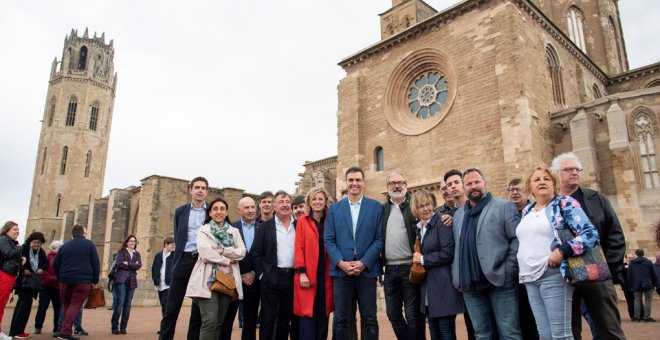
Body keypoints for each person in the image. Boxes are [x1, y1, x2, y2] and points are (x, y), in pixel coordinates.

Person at [517, 165, 601, 339]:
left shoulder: (564, 203)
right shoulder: (527, 211)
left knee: (561, 334)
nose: (542, 182)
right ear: (529, 187)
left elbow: (589, 234)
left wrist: (562, 251)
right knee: (544, 334)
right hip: (529, 277)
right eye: (537, 179)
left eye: (546, 179)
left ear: (554, 184)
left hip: (552, 274)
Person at [552, 152, 626, 339]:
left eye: (577, 169)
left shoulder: (596, 198)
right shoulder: (550, 205)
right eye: (569, 169)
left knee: (608, 329)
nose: (575, 172)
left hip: (597, 275)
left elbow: (615, 235)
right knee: (569, 331)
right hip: (564, 276)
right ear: (556, 173)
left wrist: (608, 269)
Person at [451, 168, 522, 340]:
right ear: (464, 188)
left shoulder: (504, 207)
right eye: (468, 183)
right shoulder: (459, 215)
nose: (473, 186)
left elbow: (517, 240)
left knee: (509, 332)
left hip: (500, 281)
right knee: (482, 334)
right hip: (470, 285)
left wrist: (508, 269)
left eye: (477, 182)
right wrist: (458, 277)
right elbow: (458, 248)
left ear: (485, 183)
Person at [325, 166, 383, 339]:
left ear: (363, 183)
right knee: (342, 318)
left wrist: (364, 262)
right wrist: (341, 263)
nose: (354, 183)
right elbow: (329, 240)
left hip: (367, 272)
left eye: (358, 180)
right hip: (342, 273)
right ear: (346, 182)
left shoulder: (375, 207)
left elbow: (379, 239)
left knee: (370, 318)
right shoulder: (335, 209)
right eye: (351, 180)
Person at [186, 197, 246, 340]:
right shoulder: (204, 230)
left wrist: (222, 250)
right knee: (210, 321)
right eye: (215, 209)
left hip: (227, 281)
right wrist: (228, 259)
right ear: (210, 213)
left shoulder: (234, 231)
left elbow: (242, 252)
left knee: (220, 323)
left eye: (222, 209)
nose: (219, 212)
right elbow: (205, 254)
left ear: (226, 213)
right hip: (208, 280)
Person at [159, 176, 208, 340]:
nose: (200, 190)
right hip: (184, 259)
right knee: (172, 307)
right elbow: (179, 236)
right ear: (191, 190)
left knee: (198, 308)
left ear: (207, 192)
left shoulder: (211, 213)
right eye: (197, 187)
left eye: (203, 188)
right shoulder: (181, 211)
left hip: (202, 261)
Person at [411, 190, 464, 340]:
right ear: (416, 209)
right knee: (434, 332)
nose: (426, 209)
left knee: (446, 332)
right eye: (421, 206)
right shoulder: (418, 228)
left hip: (443, 285)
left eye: (428, 204)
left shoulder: (441, 222)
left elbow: (448, 252)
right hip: (428, 288)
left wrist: (423, 260)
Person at [381, 171, 424, 340]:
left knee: (413, 315)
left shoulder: (414, 206)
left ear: (406, 185)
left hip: (410, 268)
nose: (397, 186)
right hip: (390, 270)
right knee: (393, 315)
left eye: (400, 182)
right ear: (387, 187)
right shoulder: (382, 209)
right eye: (393, 183)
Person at [252, 190, 297, 340]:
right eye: (280, 202)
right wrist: (262, 275)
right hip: (271, 277)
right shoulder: (265, 227)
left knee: (285, 319)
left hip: (291, 278)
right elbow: (256, 253)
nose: (285, 205)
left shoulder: (298, 225)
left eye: (287, 202)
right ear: (274, 207)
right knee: (267, 319)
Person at [294, 186, 334, 340]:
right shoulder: (302, 221)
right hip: (308, 275)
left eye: (320, 199)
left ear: (325, 202)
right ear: (309, 202)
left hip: (326, 275)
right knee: (307, 315)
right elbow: (299, 247)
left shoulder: (331, 219)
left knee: (323, 314)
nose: (317, 202)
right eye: (314, 199)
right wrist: (301, 272)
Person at [220, 197, 261, 340]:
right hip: (233, 280)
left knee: (250, 322)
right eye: (246, 208)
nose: (250, 210)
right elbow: (224, 251)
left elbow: (266, 255)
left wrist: (254, 273)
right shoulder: (230, 228)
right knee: (226, 320)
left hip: (253, 282)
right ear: (239, 210)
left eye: (252, 207)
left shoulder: (262, 228)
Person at [53, 224, 100, 340]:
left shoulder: (65, 245)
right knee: (75, 305)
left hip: (65, 280)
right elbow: (96, 263)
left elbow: (55, 264)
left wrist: (60, 277)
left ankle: (63, 330)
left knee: (67, 305)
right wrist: (94, 280)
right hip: (82, 281)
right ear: (83, 233)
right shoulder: (89, 244)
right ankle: (65, 332)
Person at [507, 178, 538, 340]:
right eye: (511, 190)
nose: (514, 193)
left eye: (518, 189)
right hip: (515, 274)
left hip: (535, 271)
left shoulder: (536, 211)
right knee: (520, 317)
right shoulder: (505, 213)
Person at [9, 231, 48, 339]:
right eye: (34, 242)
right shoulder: (24, 248)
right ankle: (17, 332)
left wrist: (41, 269)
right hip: (23, 282)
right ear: (30, 241)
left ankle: (15, 331)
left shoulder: (41, 252)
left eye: (39, 243)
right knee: (25, 304)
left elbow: (46, 263)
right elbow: (18, 262)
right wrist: (24, 269)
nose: (36, 245)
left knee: (22, 305)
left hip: (32, 283)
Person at [110, 234, 142, 334]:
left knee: (128, 304)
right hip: (121, 280)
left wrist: (127, 263)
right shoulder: (121, 252)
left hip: (132, 280)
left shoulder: (137, 254)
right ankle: (114, 327)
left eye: (134, 241)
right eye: (131, 241)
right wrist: (133, 265)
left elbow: (139, 265)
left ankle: (123, 327)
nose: (133, 242)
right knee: (120, 303)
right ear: (127, 242)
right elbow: (119, 264)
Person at [34, 240, 64, 335]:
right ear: (54, 248)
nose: (61, 250)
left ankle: (56, 328)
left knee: (58, 308)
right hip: (46, 286)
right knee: (42, 307)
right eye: (59, 248)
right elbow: (44, 271)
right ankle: (38, 326)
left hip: (58, 287)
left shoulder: (63, 259)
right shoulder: (47, 257)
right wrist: (55, 278)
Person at [0, 221, 23, 340]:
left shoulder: (10, 242)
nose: (17, 231)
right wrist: (19, 248)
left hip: (9, 275)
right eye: (14, 229)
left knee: (1, 305)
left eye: (18, 229)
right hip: (4, 274)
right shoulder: (3, 239)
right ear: (7, 230)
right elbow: (8, 253)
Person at [627, 249, 657, 322]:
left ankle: (637, 317)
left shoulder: (632, 263)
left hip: (636, 284)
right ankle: (646, 317)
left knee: (637, 300)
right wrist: (654, 284)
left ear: (636, 254)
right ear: (643, 254)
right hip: (648, 283)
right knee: (648, 300)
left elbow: (629, 275)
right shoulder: (648, 262)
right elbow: (654, 274)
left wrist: (632, 284)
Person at [152, 237, 175, 318]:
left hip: (169, 284)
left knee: (166, 305)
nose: (173, 247)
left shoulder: (174, 256)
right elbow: (154, 269)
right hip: (159, 284)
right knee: (163, 306)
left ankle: (165, 328)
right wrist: (155, 280)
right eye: (172, 245)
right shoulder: (158, 255)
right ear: (166, 244)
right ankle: (164, 327)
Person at [621, 253, 637, 320]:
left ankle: (639, 315)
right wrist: (624, 268)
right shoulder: (623, 266)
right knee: (630, 302)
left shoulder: (636, 265)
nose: (631, 258)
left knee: (637, 301)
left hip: (635, 286)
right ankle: (632, 316)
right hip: (627, 287)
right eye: (629, 257)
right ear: (626, 258)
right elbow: (621, 277)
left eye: (632, 257)